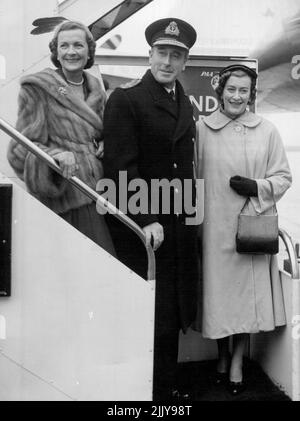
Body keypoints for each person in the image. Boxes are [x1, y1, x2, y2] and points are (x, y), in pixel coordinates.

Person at [102, 18, 199, 400]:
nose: (168, 61)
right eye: (162, 53)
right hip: (146, 225)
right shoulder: (127, 99)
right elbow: (121, 166)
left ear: (184, 62)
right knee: (149, 310)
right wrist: (147, 219)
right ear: (150, 54)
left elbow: (187, 165)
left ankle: (166, 388)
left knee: (173, 307)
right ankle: (147, 392)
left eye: (176, 55)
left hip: (178, 221)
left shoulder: (184, 100)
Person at [196, 64, 292, 395]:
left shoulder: (267, 130)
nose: (237, 96)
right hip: (212, 229)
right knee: (219, 299)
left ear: (251, 95)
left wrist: (257, 186)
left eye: (244, 91)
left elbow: (283, 177)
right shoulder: (201, 129)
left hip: (250, 227)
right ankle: (221, 356)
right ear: (220, 92)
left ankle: (237, 360)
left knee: (243, 300)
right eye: (231, 89)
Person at [7, 20, 115, 255]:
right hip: (65, 199)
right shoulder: (38, 89)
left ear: (89, 51)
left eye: (78, 45)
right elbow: (18, 151)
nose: (71, 52)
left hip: (99, 196)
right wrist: (56, 157)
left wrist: (107, 142)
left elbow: (100, 131)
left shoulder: (97, 90)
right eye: (64, 46)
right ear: (55, 52)